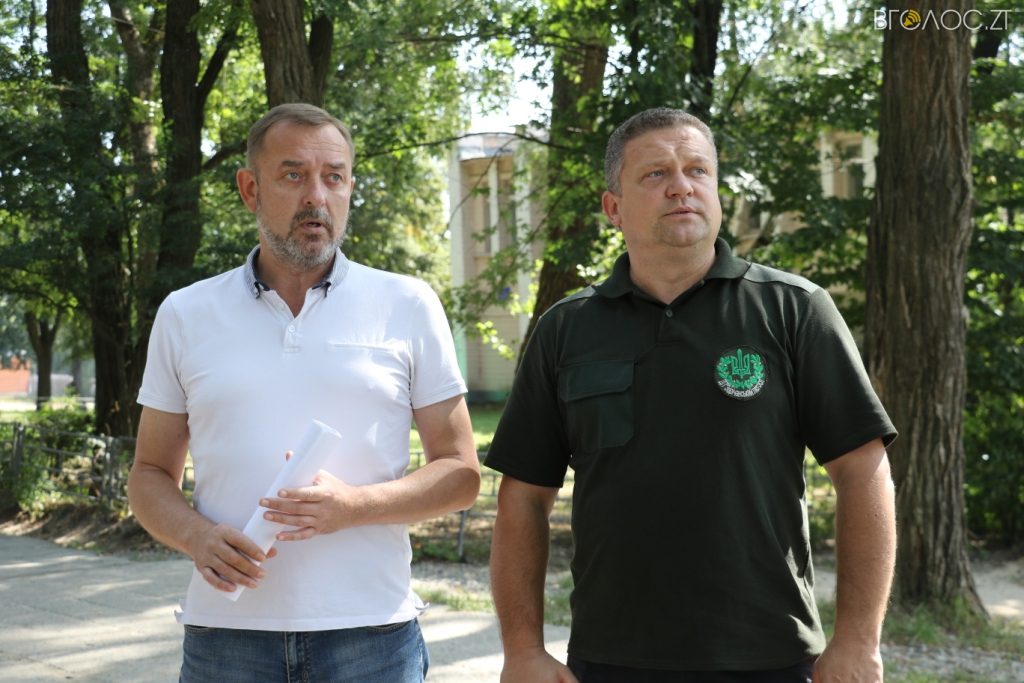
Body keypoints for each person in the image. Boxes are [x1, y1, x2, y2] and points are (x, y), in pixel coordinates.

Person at [486, 107, 898, 683]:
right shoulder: (567, 329)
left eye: (698, 170)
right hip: (611, 660)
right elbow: (524, 498)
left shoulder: (794, 310)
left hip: (769, 657)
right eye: (655, 174)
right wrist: (522, 649)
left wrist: (857, 639)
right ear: (613, 208)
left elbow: (862, 470)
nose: (681, 186)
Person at [127, 103, 480, 683]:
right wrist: (196, 536)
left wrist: (356, 506)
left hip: (372, 636)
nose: (317, 196)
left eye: (333, 177)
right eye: (293, 175)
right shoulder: (186, 313)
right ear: (250, 189)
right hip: (227, 637)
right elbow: (148, 474)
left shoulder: (408, 303)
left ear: (349, 190)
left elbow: (461, 474)